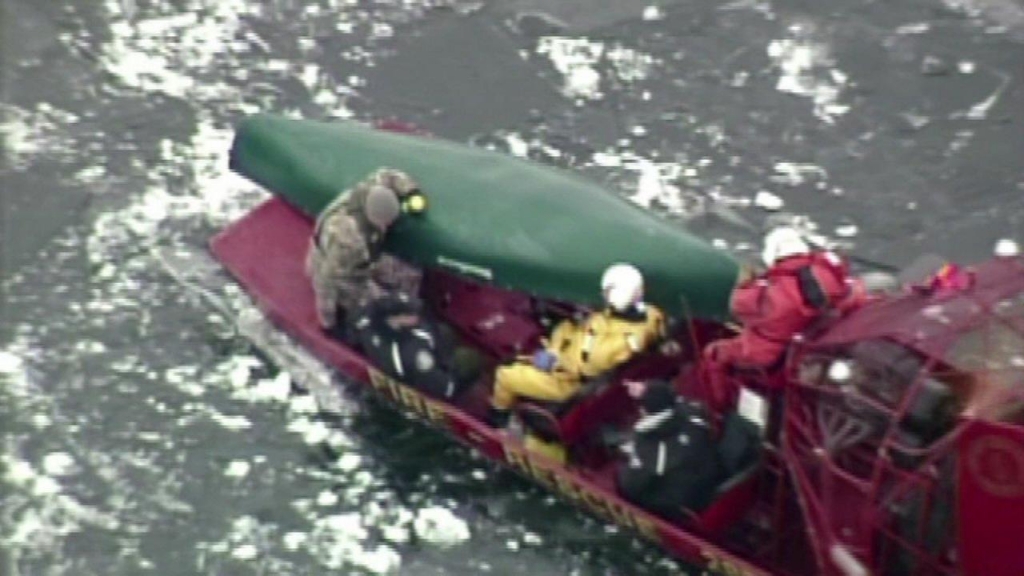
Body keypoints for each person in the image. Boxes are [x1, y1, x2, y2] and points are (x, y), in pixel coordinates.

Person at [702, 227, 866, 411]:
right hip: (814, 349)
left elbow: (739, 307)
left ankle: (717, 408)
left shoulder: (770, 292)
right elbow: (854, 295)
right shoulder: (830, 275)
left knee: (714, 354)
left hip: (773, 353)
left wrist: (746, 283)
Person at [487, 263, 666, 428]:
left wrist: (539, 359)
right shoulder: (651, 315)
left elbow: (576, 368)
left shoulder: (602, 351)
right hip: (575, 348)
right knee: (561, 326)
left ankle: (498, 415)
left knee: (505, 375)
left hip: (567, 382)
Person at [305, 167, 423, 332]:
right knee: (381, 303)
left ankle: (408, 304)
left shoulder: (372, 189)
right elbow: (326, 280)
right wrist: (328, 321)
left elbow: (388, 175)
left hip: (363, 255)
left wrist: (412, 192)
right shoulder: (348, 241)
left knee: (411, 275)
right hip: (344, 273)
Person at [614, 379, 722, 521]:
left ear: (644, 410)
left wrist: (624, 465)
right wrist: (649, 390)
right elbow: (675, 402)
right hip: (706, 476)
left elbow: (631, 486)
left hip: (681, 502)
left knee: (623, 484)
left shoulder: (653, 447)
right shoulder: (694, 414)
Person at [351, 292, 484, 400]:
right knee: (468, 357)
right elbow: (445, 388)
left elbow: (353, 331)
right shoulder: (415, 352)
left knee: (443, 331)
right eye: (409, 314)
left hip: (394, 356)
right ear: (395, 319)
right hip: (424, 377)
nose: (416, 315)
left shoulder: (366, 320)